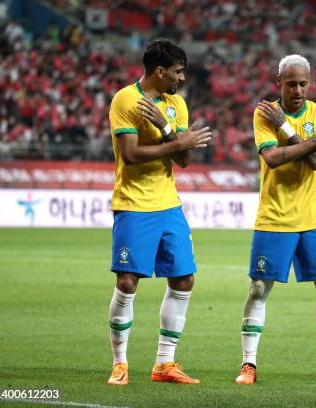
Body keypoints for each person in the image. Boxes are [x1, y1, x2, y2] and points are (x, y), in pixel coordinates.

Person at [234, 54, 316, 385]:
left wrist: (286, 128)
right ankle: (249, 364)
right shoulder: (263, 113)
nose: (298, 89)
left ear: (309, 83)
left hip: (313, 215)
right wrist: (313, 139)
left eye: (303, 83)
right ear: (279, 83)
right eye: (291, 84)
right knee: (259, 288)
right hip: (274, 215)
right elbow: (272, 159)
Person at [106, 38, 212, 386]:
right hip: (134, 204)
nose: (181, 79)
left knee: (184, 278)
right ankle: (119, 363)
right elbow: (132, 154)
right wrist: (175, 143)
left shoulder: (176, 105)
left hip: (168, 204)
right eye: (178, 72)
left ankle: (164, 364)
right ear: (159, 71)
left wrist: (168, 132)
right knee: (127, 281)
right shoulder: (126, 99)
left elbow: (183, 159)